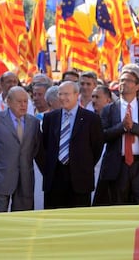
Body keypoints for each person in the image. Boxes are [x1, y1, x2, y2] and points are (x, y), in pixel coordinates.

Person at [100, 63, 139, 205]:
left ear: (137, 86)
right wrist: (121, 127)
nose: (123, 83)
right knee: (118, 206)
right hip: (118, 166)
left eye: (128, 80)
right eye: (121, 80)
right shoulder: (109, 110)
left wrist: (134, 127)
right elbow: (102, 135)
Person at [41, 81, 104, 209]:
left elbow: (96, 148)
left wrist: (82, 163)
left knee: (78, 219)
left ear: (77, 95)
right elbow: (45, 146)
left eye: (67, 94)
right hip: (55, 178)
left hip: (80, 178)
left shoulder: (91, 119)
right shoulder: (50, 118)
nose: (63, 98)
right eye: (60, 94)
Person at [0, 86, 41, 212]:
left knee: (22, 217)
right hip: (0, 176)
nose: (23, 105)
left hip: (25, 177)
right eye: (19, 102)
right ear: (8, 102)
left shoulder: (33, 122)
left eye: (25, 101)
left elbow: (35, 148)